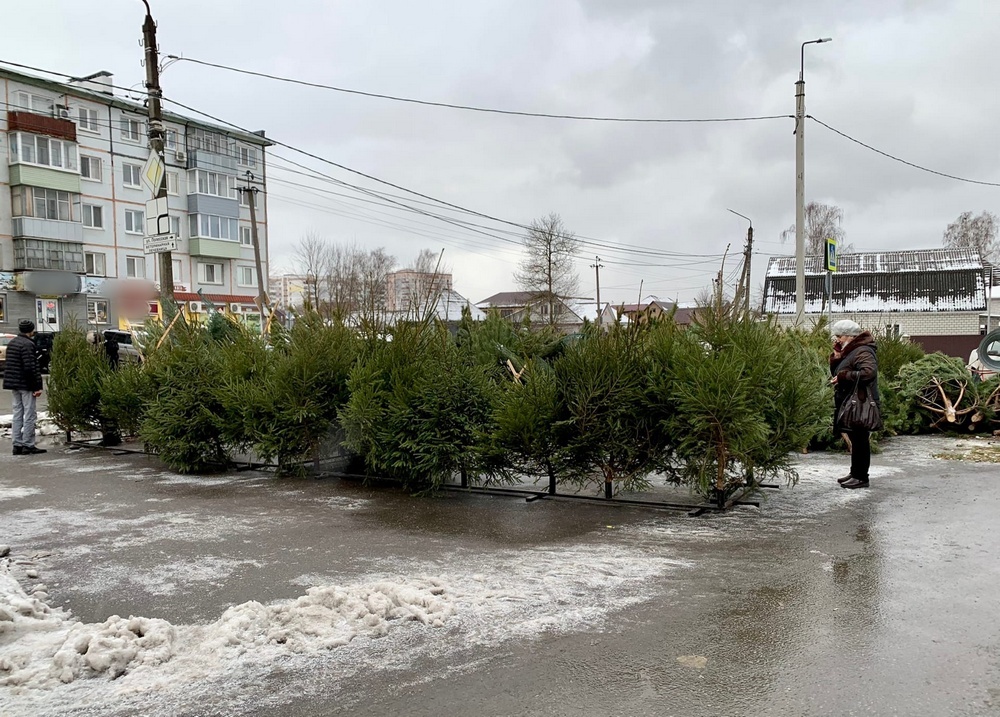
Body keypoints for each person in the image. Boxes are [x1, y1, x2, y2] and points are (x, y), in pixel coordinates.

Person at [830, 319, 878, 489]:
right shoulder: (852, 350)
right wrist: (837, 357)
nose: (837, 340)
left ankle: (861, 477)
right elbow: (842, 369)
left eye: (839, 336)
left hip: (861, 401)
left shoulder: (863, 350)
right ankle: (855, 472)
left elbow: (869, 372)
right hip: (854, 400)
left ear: (849, 336)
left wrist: (844, 377)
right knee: (856, 438)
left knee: (860, 439)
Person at [2, 319, 47, 456]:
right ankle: (28, 444)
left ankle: (17, 444)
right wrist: (36, 387)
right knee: (29, 414)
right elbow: (30, 367)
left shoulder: (13, 343)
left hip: (14, 384)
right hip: (26, 385)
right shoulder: (28, 345)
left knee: (17, 413)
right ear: (30, 330)